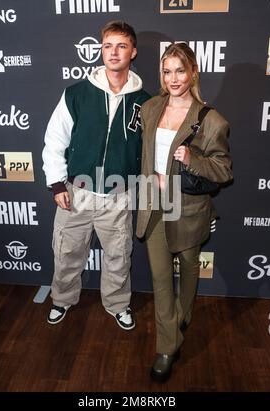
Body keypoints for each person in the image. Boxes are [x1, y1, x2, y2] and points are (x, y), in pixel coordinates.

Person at [42, 21, 150, 330]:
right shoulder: (76, 94)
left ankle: (117, 304)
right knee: (66, 253)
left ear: (133, 52)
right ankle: (61, 299)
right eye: (108, 46)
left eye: (121, 46)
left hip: (119, 194)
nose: (113, 52)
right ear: (100, 50)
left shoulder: (146, 101)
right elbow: (54, 141)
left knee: (119, 256)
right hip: (76, 192)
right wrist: (57, 184)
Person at [136, 42, 232, 382]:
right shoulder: (149, 108)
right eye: (167, 70)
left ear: (193, 72)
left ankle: (184, 315)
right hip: (153, 206)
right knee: (161, 279)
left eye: (180, 70)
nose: (173, 78)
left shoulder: (211, 120)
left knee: (189, 268)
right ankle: (167, 346)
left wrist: (193, 160)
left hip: (188, 208)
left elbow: (223, 171)